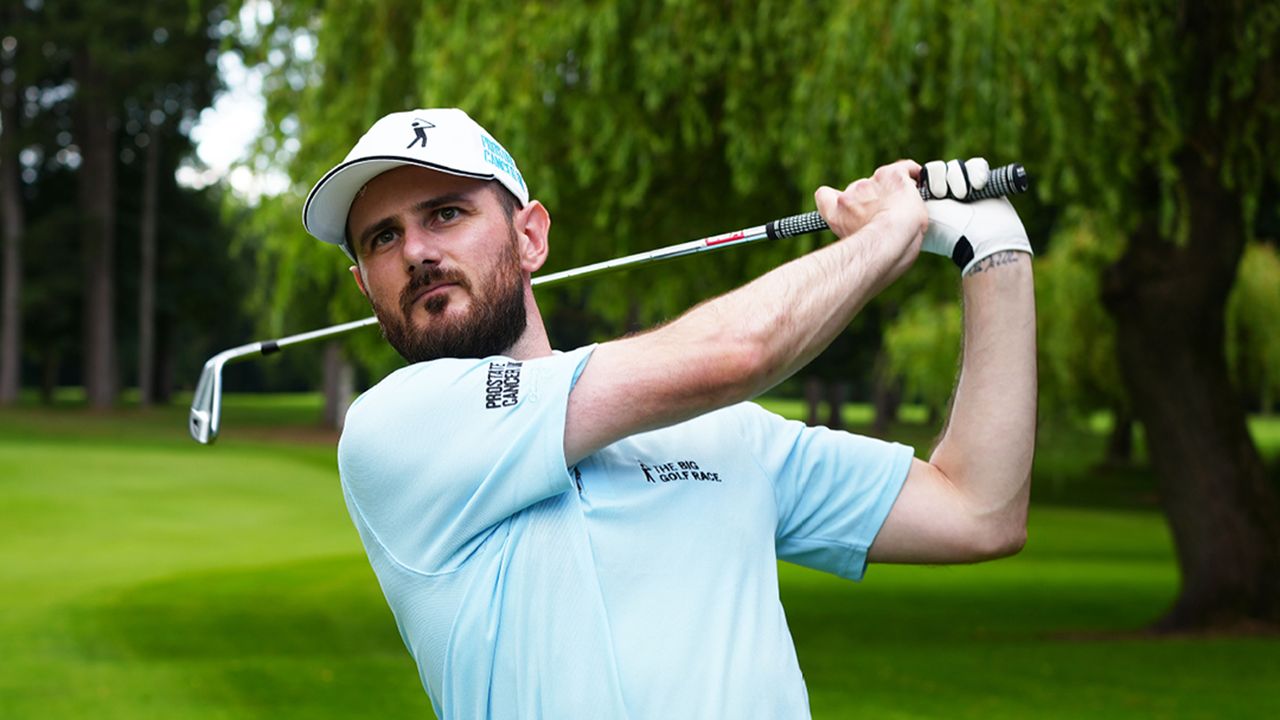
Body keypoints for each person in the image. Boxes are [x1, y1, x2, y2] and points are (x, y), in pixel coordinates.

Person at [303, 108, 1036, 719]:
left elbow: (977, 511)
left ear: (531, 236)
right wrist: (889, 232)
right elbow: (737, 354)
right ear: (366, 286)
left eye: (447, 213)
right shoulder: (392, 429)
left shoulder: (726, 433)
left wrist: (994, 254)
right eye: (383, 237)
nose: (418, 252)